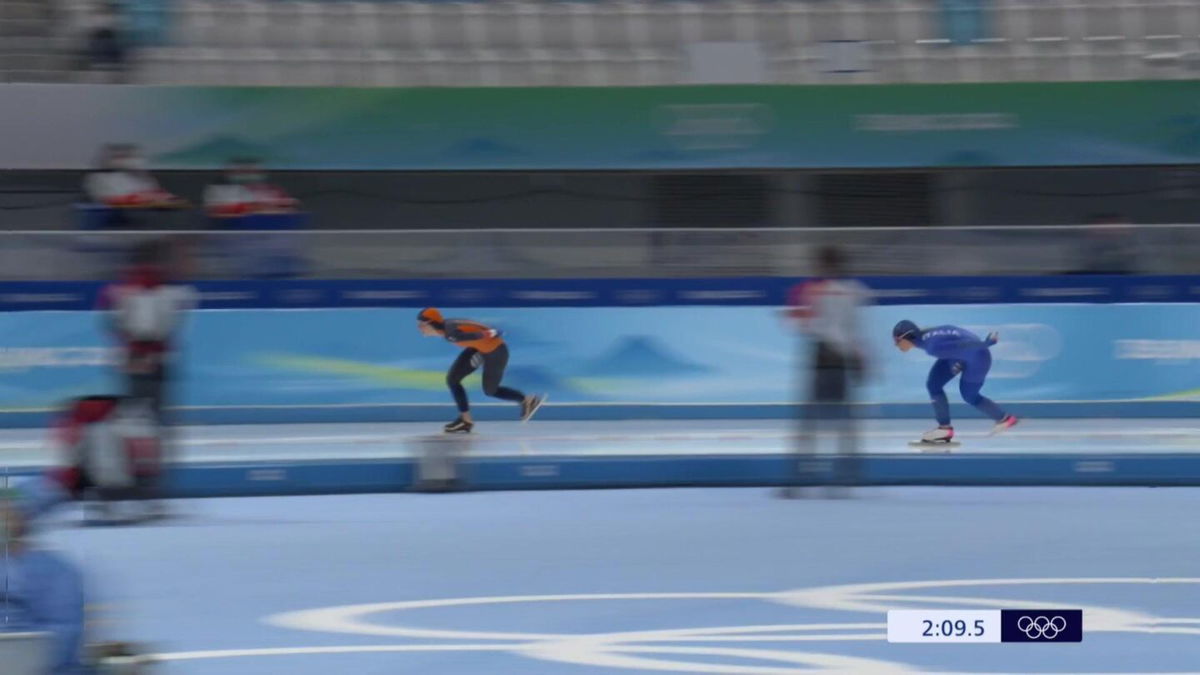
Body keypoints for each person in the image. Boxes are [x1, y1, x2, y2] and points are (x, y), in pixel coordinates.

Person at [782, 246, 870, 495]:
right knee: (844, 423)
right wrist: (861, 358)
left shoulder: (812, 290)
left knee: (810, 424)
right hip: (843, 359)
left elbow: (799, 324)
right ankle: (845, 480)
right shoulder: (855, 291)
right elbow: (856, 329)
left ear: (822, 265)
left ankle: (799, 481)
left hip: (823, 357)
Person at [416, 308, 545, 433]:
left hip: (496, 352)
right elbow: (474, 326)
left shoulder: (451, 334)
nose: (419, 328)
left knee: (490, 391)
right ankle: (465, 421)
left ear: (431, 323)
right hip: (479, 349)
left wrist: (491, 333)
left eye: (421, 325)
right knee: (453, 380)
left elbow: (475, 334)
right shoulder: (448, 326)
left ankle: (527, 400)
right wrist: (491, 332)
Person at [892, 320, 1019, 443]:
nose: (896, 345)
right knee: (933, 385)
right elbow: (957, 339)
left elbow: (963, 345)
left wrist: (986, 343)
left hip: (978, 358)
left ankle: (1005, 419)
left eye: (897, 341)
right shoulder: (926, 336)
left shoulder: (933, 346)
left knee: (970, 396)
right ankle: (944, 429)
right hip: (959, 354)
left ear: (906, 337)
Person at [203, 158, 299, 221]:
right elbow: (216, 213)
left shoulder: (273, 190)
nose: (246, 174)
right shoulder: (216, 190)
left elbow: (290, 209)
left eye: (251, 171)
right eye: (242, 171)